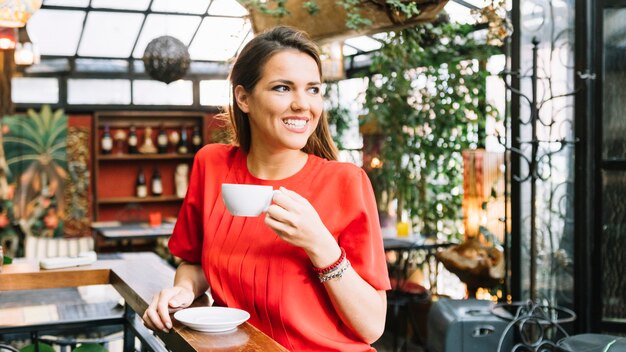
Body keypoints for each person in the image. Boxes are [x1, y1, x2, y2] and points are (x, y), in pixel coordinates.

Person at [142, 25, 391, 351]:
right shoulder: (212, 165)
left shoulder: (345, 182)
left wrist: (320, 245)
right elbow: (194, 262)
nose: (303, 104)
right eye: (283, 88)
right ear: (243, 98)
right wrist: (185, 290)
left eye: (313, 89)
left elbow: (372, 327)